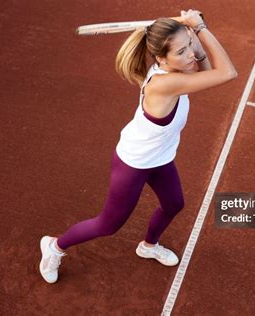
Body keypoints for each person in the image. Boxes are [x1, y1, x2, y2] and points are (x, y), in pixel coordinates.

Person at [39, 9, 237, 284]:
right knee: (108, 225)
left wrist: (193, 36)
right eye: (181, 51)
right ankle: (54, 246)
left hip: (160, 157)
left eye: (188, 46)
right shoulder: (167, 83)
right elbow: (227, 73)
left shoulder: (175, 71)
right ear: (161, 58)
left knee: (173, 204)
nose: (190, 55)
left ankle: (148, 246)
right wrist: (199, 26)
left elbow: (205, 68)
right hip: (134, 162)